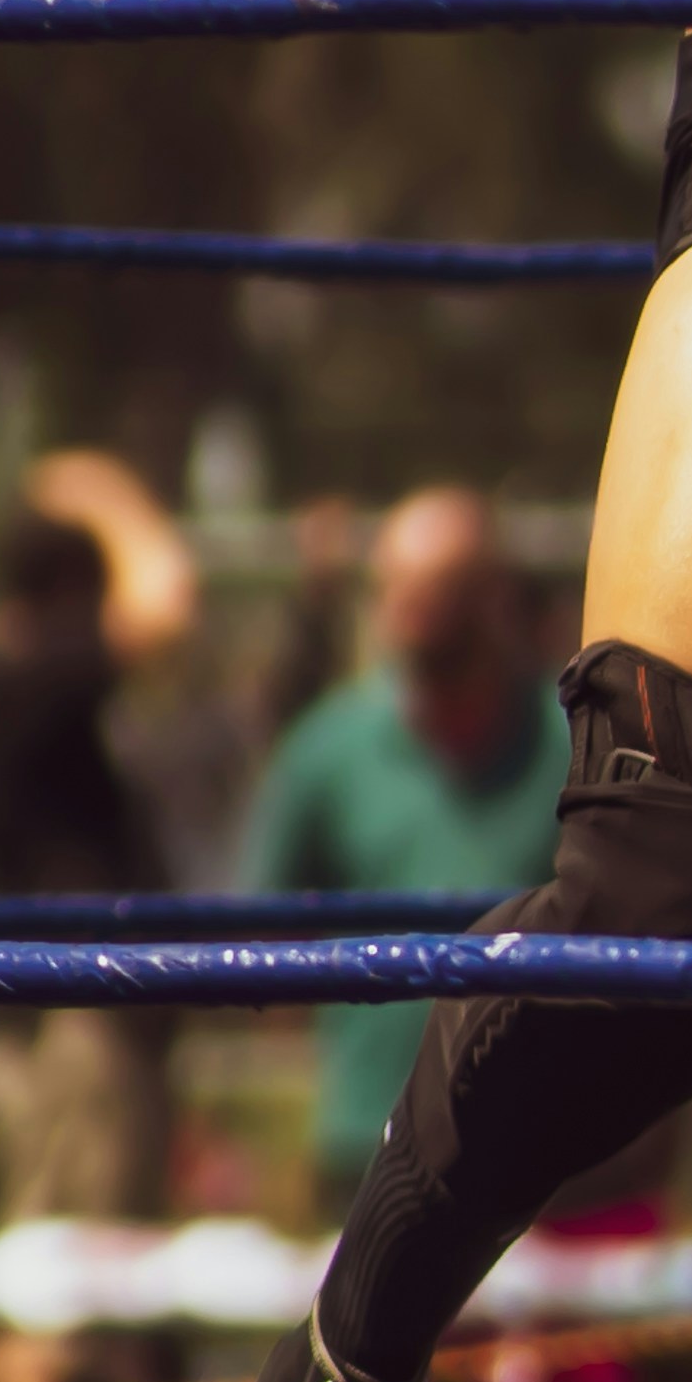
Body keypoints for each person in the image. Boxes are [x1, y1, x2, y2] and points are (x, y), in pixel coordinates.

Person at [240, 489, 566, 1217]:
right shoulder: (326, 751)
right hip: (367, 1143)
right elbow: (264, 927)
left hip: (540, 1148)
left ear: (493, 598)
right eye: (402, 588)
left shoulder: (570, 747)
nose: (419, 611)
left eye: (444, 589)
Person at [0, 498, 176, 1382]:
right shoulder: (24, 683)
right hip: (68, 1042)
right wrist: (122, 505)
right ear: (66, 597)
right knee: (64, 1308)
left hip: (58, 1036)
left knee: (87, 1298)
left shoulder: (10, 688)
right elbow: (168, 611)